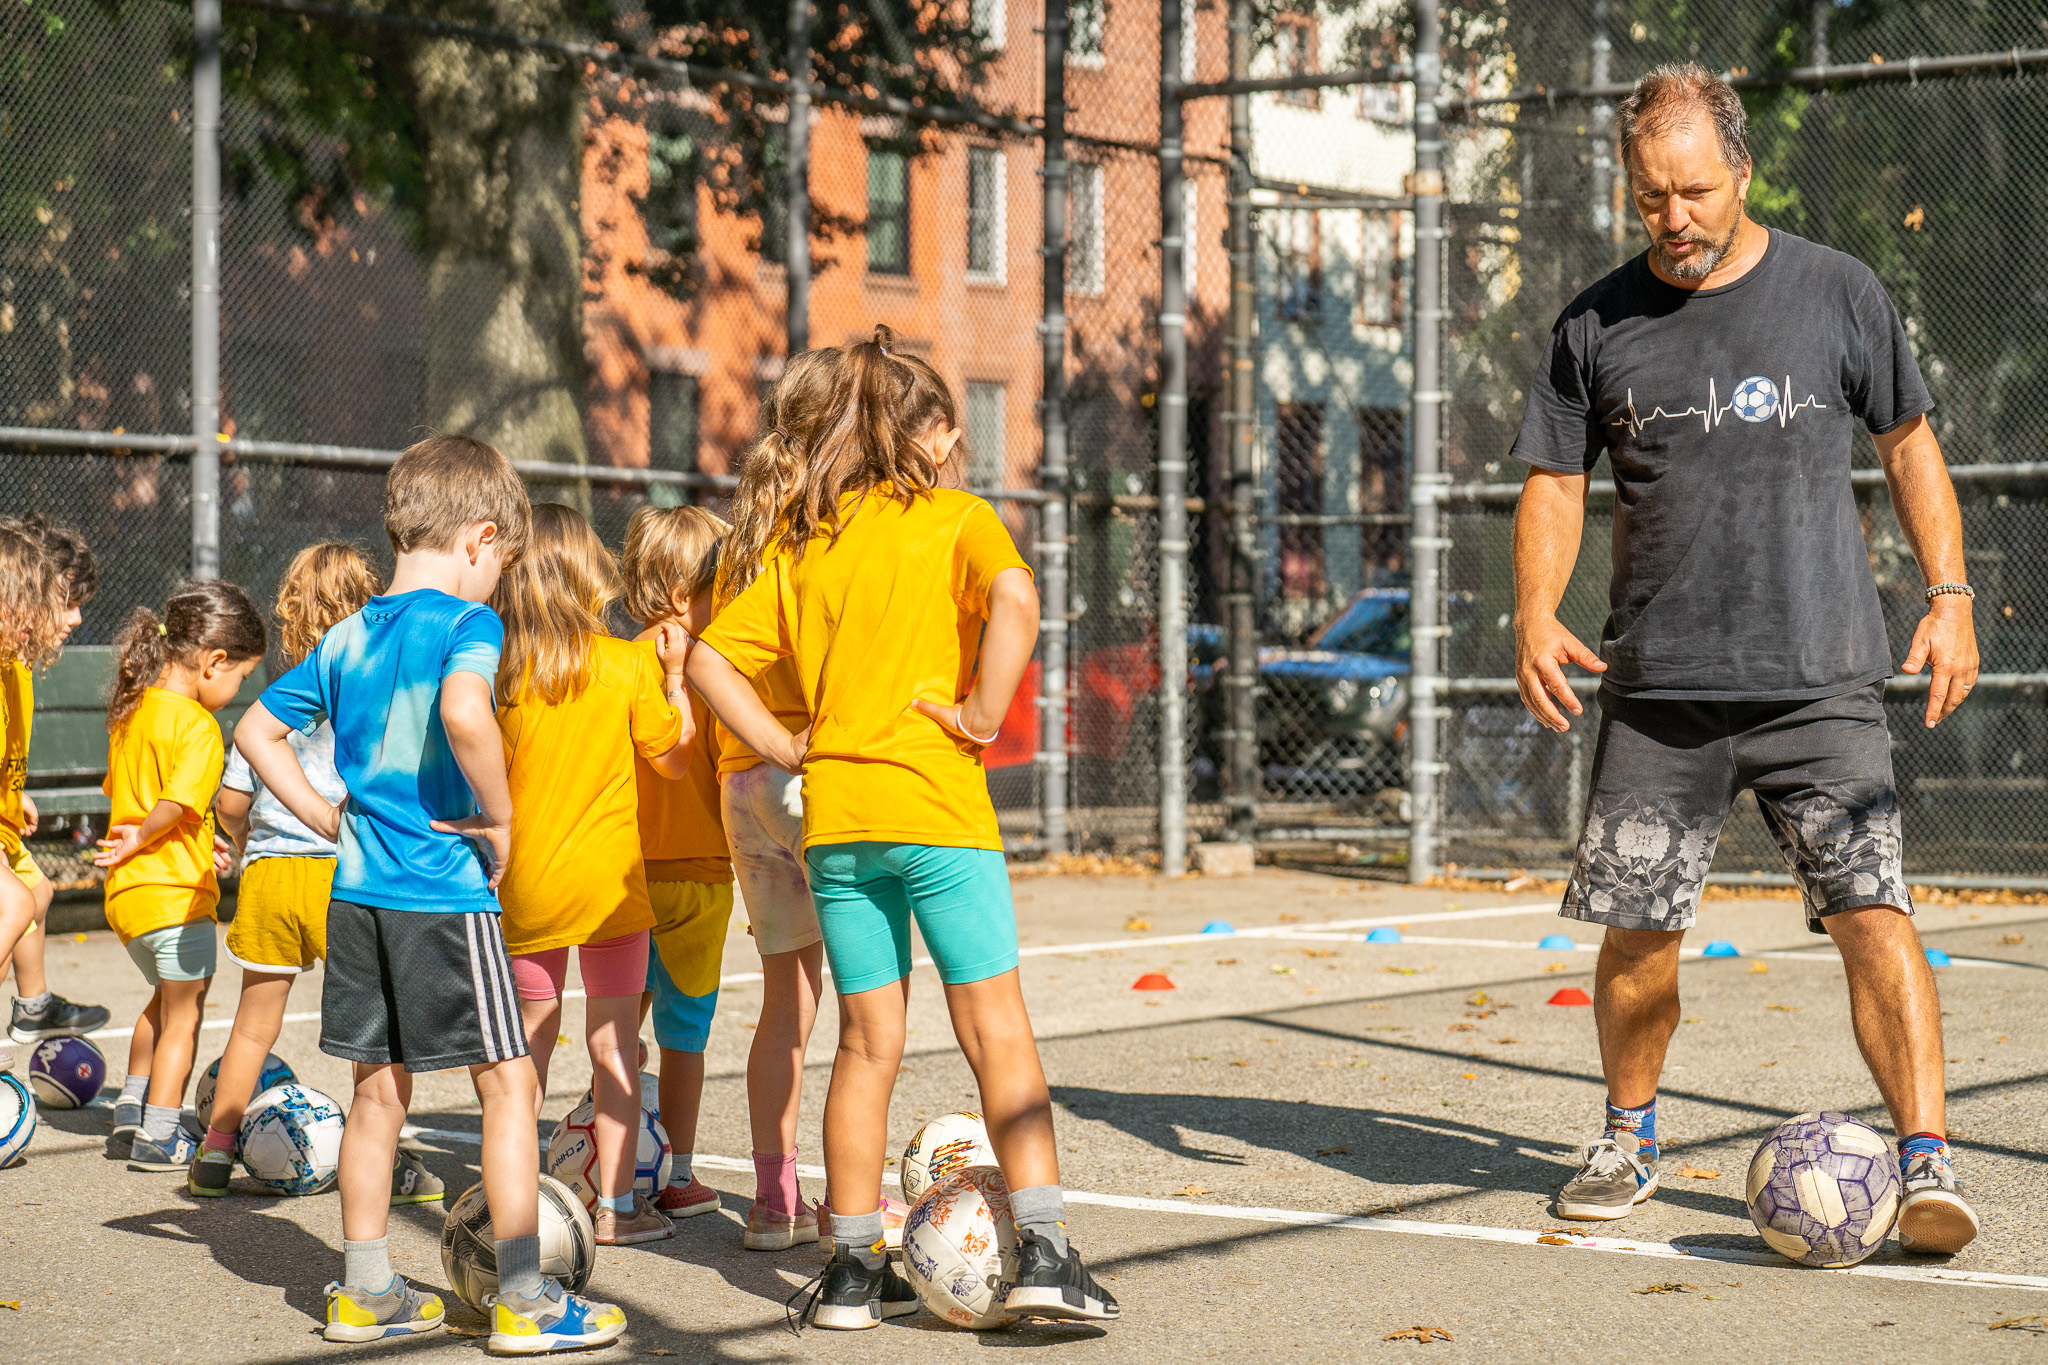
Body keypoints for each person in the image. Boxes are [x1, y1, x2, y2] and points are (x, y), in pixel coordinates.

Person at [1509, 64, 1980, 1253]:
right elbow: (1553, 483)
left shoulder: (1836, 292)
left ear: (1740, 172)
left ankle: (1924, 1162)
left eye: (1692, 191)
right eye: (1648, 196)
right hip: (1657, 692)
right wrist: (1531, 609)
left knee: (1873, 914)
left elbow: (1910, 446)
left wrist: (1949, 595)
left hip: (1818, 678)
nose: (1671, 217)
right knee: (1635, 934)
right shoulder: (1592, 321)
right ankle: (1626, 1137)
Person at [690, 326, 1119, 1329]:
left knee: (863, 1044)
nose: (955, 449)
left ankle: (847, 1270)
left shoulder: (805, 546)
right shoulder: (959, 520)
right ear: (920, 432)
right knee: (995, 1031)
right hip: (935, 808)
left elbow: (709, 659)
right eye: (949, 430)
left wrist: (785, 745)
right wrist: (978, 712)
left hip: (838, 821)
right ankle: (1047, 1254)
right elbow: (1015, 597)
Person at [237, 435, 625, 1351]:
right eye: (502, 564)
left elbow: (256, 730)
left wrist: (327, 816)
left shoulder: (345, 634)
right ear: (481, 540)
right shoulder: (464, 625)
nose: (498, 583)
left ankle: (364, 1289)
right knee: (509, 1086)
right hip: (442, 894)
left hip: (359, 894)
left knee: (378, 1093)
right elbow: (462, 711)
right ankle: (527, 1302)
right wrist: (500, 816)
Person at [708, 349, 910, 1253]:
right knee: (872, 1015)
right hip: (808, 771)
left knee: (784, 1004)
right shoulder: (829, 530)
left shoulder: (743, 532)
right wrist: (792, 741)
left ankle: (771, 1198)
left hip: (738, 785)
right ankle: (848, 1203)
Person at [189, 543, 439, 1205]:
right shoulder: (378, 694)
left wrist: (241, 842)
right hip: (347, 875)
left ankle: (216, 1149)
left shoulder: (275, 698)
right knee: (373, 1028)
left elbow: (232, 799)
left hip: (273, 875)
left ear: (290, 613)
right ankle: (386, 1156)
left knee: (252, 1024)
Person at [492, 503, 691, 1248]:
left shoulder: (501, 671)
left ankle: (517, 1203)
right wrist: (674, 678)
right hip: (611, 890)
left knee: (525, 1052)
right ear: (587, 573)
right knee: (616, 1048)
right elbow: (671, 756)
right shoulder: (626, 664)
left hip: (524, 888)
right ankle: (617, 1207)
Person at [94, 580, 267, 1171]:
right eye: (242, 677)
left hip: (128, 899)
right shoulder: (197, 726)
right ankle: (161, 1135)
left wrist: (183, 843)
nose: (239, 689)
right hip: (175, 897)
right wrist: (152, 835)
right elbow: (174, 804)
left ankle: (129, 1113)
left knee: (162, 1005)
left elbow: (124, 794)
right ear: (215, 661)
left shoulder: (131, 709)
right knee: (185, 1016)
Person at [617, 505, 738, 1226]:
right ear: (682, 588)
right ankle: (681, 1173)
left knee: (617, 1023)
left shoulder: (620, 660)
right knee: (684, 1032)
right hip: (699, 872)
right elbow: (731, 770)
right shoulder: (718, 667)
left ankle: (614, 1156)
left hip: (623, 870)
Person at [1, 514, 113, 1047]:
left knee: (34, 894)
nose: (72, 619)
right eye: (63, 602)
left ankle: (33, 1005)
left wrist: (14, 793)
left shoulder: (16, 661)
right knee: (17, 903)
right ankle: (34, 1005)